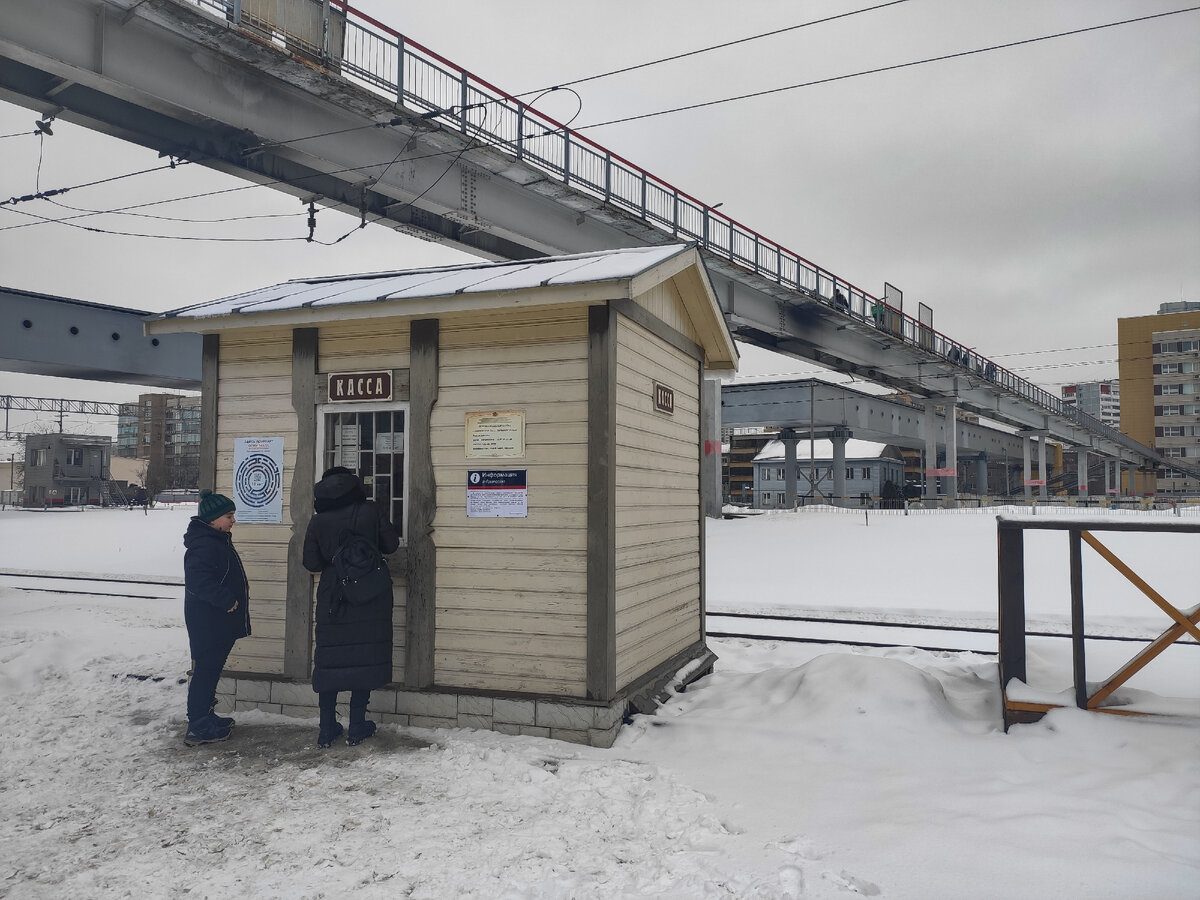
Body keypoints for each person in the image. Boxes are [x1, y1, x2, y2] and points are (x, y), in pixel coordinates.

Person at [303, 466, 400, 748]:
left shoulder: (318, 521)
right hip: (370, 592)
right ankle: (357, 725)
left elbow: (311, 563)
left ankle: (326, 727)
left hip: (334, 594)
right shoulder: (370, 511)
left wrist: (335, 562)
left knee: (331, 659)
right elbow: (391, 545)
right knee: (364, 656)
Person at [182, 490, 251, 746]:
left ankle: (206, 717)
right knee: (205, 673)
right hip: (209, 622)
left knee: (210, 672)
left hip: (218, 621)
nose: (233, 520)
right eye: (229, 515)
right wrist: (227, 600)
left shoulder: (216, 539)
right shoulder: (205, 544)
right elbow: (198, 581)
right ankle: (198, 726)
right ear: (212, 519)